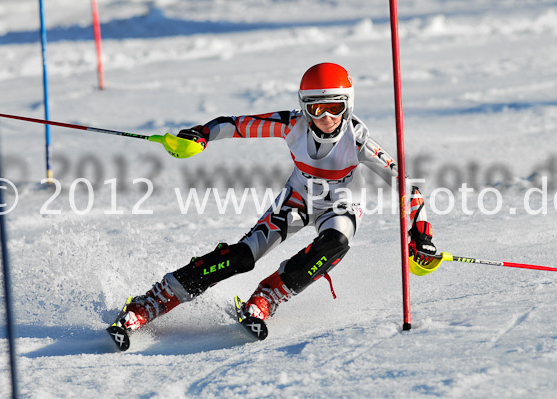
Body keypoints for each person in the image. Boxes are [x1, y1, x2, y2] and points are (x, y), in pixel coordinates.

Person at [115, 62, 437, 331]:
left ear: (348, 105)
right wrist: (203, 134)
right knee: (243, 256)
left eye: (335, 107)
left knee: (336, 243)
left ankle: (269, 295)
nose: (326, 118)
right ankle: (157, 297)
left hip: (340, 206)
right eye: (317, 108)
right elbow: (237, 125)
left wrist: (420, 232)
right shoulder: (292, 125)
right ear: (304, 107)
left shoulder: (358, 139)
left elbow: (405, 184)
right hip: (296, 200)